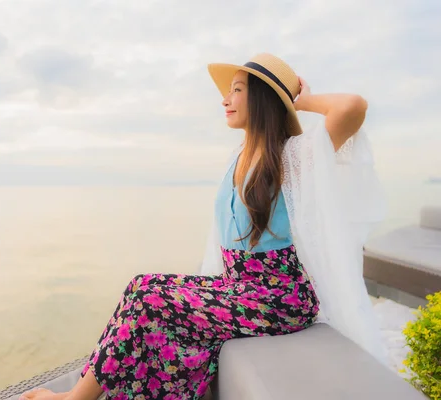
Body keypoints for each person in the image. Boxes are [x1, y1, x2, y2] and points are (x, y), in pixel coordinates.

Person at [20, 53, 386, 400]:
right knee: (141, 285)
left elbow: (353, 107)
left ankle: (72, 398)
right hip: (238, 287)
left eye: (237, 91)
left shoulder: (290, 156)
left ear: (262, 99)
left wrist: (300, 99)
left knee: (149, 300)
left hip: (278, 298)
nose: (226, 99)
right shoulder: (238, 156)